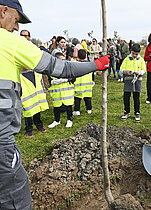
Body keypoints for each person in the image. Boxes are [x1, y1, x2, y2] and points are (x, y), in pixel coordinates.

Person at [0, 1, 110, 208]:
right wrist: (96, 64)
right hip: (1, 144)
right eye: (16, 20)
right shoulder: (9, 42)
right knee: (15, 198)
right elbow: (60, 68)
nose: (16, 28)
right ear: (3, 11)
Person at [20, 29, 48, 137]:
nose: (23, 37)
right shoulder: (18, 47)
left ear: (29, 37)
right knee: (27, 104)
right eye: (21, 35)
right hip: (23, 76)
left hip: (34, 75)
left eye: (25, 35)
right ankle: (29, 128)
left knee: (36, 103)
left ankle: (39, 125)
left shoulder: (32, 48)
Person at [48, 52, 75, 128]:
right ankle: (57, 121)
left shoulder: (68, 68)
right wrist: (64, 80)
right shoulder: (51, 70)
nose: (63, 61)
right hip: (56, 92)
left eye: (64, 59)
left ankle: (69, 120)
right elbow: (50, 81)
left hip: (67, 91)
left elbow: (72, 78)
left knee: (68, 106)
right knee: (56, 107)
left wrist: (61, 80)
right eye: (61, 60)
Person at [120, 43, 146, 121]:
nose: (135, 55)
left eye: (136, 54)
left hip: (137, 81)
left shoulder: (141, 60)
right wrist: (125, 71)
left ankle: (137, 113)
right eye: (133, 53)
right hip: (128, 81)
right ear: (131, 51)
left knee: (136, 97)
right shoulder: (126, 59)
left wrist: (139, 72)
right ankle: (126, 112)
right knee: (126, 97)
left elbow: (144, 70)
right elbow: (121, 68)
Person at [73, 49, 94, 116]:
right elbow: (92, 73)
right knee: (87, 97)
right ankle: (89, 109)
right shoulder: (90, 64)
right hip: (88, 84)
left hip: (78, 84)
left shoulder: (76, 65)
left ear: (77, 56)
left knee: (77, 98)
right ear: (86, 56)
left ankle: (77, 110)